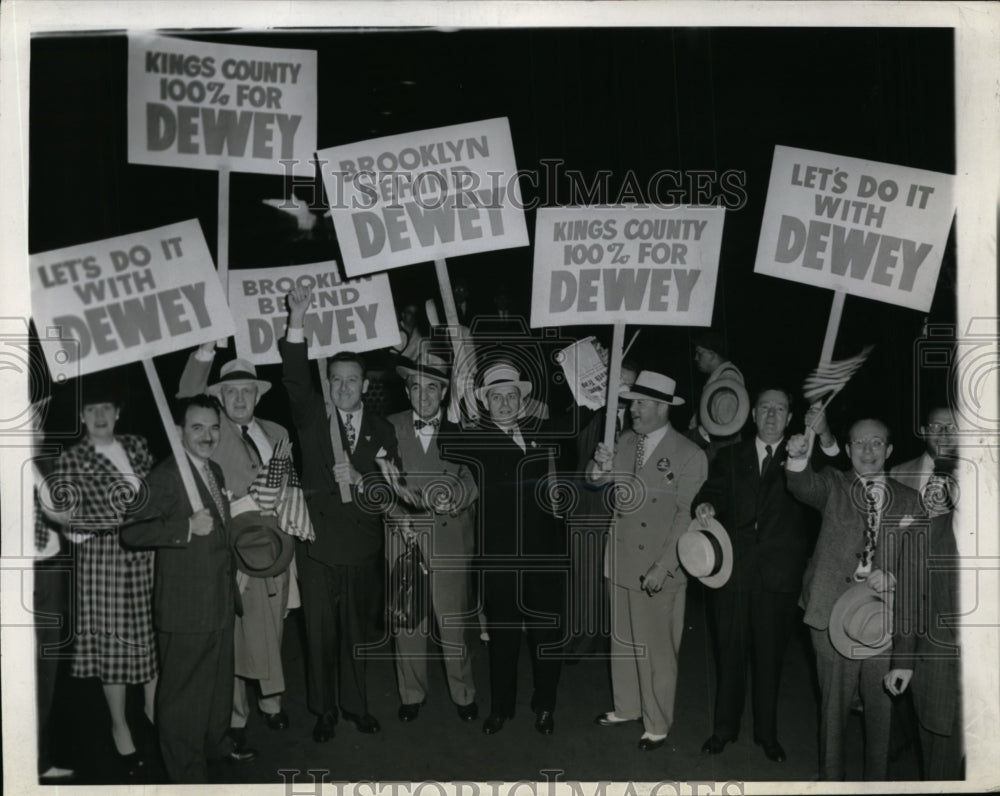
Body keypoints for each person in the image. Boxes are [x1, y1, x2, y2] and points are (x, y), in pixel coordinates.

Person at [692, 389, 839, 763]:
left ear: (790, 417)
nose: (772, 414)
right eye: (765, 408)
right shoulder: (730, 455)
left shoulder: (802, 454)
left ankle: (767, 734)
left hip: (779, 576)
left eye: (780, 408)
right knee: (729, 653)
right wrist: (705, 505)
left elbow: (834, 470)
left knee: (770, 658)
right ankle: (724, 729)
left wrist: (822, 435)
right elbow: (711, 492)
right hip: (732, 573)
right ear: (753, 414)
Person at [280, 286, 400, 742]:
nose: (344, 387)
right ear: (327, 384)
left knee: (356, 633)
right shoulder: (313, 417)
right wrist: (297, 318)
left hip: (361, 547)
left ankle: (355, 706)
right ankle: (323, 709)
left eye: (352, 380)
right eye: (336, 380)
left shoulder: (382, 429)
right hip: (316, 547)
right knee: (319, 635)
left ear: (366, 386)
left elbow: (392, 492)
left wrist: (364, 478)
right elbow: (294, 376)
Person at [120, 394, 251, 783]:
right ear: (179, 432)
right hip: (186, 606)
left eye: (213, 427)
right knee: (182, 700)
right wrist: (185, 528)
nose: (207, 436)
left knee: (215, 688)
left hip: (219, 602)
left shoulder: (214, 470)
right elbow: (131, 530)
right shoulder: (165, 475)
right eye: (197, 428)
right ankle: (187, 776)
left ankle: (216, 746)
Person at [784, 417, 924, 780]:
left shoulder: (911, 501)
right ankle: (832, 782)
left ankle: (875, 783)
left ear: (889, 451)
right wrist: (798, 459)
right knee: (834, 711)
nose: (868, 450)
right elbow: (802, 486)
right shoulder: (833, 483)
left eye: (877, 443)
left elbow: (916, 566)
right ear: (847, 450)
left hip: (881, 620)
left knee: (881, 712)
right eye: (859, 443)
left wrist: (892, 577)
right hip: (830, 613)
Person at [179, 344, 293, 744]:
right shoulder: (215, 432)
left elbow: (289, 484)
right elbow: (187, 391)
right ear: (219, 398)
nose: (240, 398)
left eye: (247, 390)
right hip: (235, 548)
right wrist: (206, 349)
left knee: (273, 626)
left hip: (278, 549)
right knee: (236, 635)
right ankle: (236, 714)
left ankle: (271, 701)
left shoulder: (277, 432)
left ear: (259, 395)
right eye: (231, 392)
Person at [588, 371, 708, 751]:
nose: (631, 409)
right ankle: (627, 706)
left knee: (656, 648)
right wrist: (598, 464)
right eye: (631, 402)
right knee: (622, 641)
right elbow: (595, 482)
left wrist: (664, 566)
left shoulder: (690, 454)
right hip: (620, 556)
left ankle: (657, 722)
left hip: (658, 565)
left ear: (661, 407)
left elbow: (686, 517)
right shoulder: (624, 441)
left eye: (639, 403)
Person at [46, 382, 157, 777]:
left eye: (106, 408)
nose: (99, 416)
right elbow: (72, 527)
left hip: (147, 557)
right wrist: (113, 520)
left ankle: (152, 712)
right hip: (103, 563)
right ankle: (119, 726)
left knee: (150, 639)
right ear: (81, 417)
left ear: (117, 412)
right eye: (91, 410)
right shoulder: (73, 459)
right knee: (112, 646)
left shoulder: (139, 444)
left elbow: (157, 495)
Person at [461, 362, 567, 736]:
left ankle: (545, 705)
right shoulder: (476, 440)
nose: (504, 403)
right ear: (485, 403)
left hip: (545, 557)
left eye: (511, 395)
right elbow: (447, 433)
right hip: (500, 560)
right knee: (503, 639)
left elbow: (579, 417)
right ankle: (501, 708)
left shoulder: (542, 433)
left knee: (546, 639)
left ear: (523, 401)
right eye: (496, 396)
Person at [386, 352, 479, 723]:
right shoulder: (388, 426)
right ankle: (411, 693)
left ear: (443, 392)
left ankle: (463, 693)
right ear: (407, 392)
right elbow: (376, 482)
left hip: (449, 537)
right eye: (415, 387)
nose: (423, 395)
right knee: (408, 620)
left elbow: (476, 477)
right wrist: (396, 516)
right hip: (403, 537)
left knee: (452, 622)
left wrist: (456, 496)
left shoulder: (461, 428)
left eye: (431, 387)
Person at [563, 358, 639, 661]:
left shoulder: (638, 421)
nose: (622, 389)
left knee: (616, 578)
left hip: (623, 512)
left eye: (628, 384)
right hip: (587, 509)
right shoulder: (587, 415)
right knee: (584, 576)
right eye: (617, 382)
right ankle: (580, 641)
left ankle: (611, 641)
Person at [884, 505, 964, 780]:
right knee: (942, 773)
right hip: (942, 677)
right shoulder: (924, 533)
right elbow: (908, 603)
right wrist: (903, 661)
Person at [687, 331, 746, 461]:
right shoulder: (719, 378)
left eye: (700, 353)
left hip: (717, 458)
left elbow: (725, 432)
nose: (696, 358)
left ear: (712, 355)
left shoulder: (728, 379)